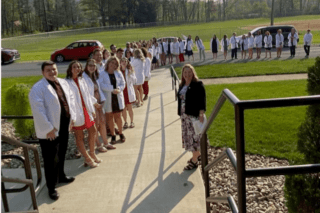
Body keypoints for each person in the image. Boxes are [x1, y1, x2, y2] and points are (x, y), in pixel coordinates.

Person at [29, 61, 76, 201]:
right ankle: (51, 187)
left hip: (64, 124)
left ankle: (60, 176)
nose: (52, 72)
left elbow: (70, 100)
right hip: (50, 129)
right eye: (48, 70)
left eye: (54, 69)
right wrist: (48, 128)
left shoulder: (62, 82)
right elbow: (38, 110)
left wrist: (72, 117)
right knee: (50, 159)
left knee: (61, 152)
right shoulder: (38, 88)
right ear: (43, 72)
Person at [65, 61, 101, 168]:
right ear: (70, 69)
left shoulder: (82, 80)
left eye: (79, 67)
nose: (77, 69)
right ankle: (87, 158)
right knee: (79, 136)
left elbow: (88, 95)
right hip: (76, 112)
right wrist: (71, 116)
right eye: (74, 67)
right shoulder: (66, 82)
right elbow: (67, 100)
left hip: (86, 110)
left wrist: (93, 107)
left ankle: (92, 153)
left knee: (93, 130)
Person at [83, 59, 116, 151]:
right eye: (90, 65)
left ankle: (106, 142)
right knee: (96, 125)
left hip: (99, 103)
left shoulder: (94, 76)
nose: (92, 67)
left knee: (102, 123)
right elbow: (86, 93)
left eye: (93, 66)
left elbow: (99, 90)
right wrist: (95, 103)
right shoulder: (84, 78)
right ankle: (98, 145)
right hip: (92, 104)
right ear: (86, 66)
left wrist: (102, 101)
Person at [177, 64, 206, 170]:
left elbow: (202, 100)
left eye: (189, 72)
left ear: (193, 73)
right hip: (185, 118)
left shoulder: (197, 84)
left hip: (193, 116)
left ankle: (194, 161)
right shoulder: (182, 85)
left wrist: (201, 114)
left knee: (195, 138)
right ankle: (197, 155)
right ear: (183, 74)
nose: (187, 74)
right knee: (189, 138)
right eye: (185, 72)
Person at [99, 56, 126, 144]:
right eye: (112, 63)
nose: (113, 65)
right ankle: (113, 135)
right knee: (109, 117)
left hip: (117, 97)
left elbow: (123, 83)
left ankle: (121, 133)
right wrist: (111, 89)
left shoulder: (118, 73)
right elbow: (101, 85)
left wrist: (119, 89)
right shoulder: (102, 73)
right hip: (108, 97)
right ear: (108, 63)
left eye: (115, 64)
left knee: (118, 117)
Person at [120, 58, 137, 129]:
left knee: (130, 108)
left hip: (128, 91)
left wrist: (130, 75)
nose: (124, 63)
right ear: (120, 63)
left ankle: (132, 121)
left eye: (125, 61)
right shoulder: (118, 71)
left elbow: (134, 81)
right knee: (123, 109)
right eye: (122, 61)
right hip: (121, 92)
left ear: (127, 63)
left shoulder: (130, 70)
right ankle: (125, 122)